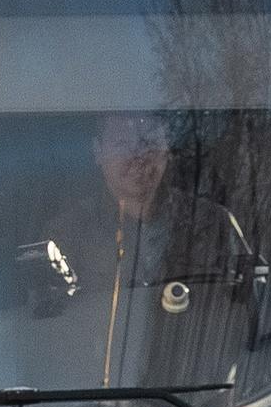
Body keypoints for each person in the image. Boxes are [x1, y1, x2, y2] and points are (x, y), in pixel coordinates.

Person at [17, 112, 252, 390]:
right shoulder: (65, 236)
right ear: (97, 152)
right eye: (122, 145)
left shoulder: (214, 225)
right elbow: (43, 337)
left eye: (149, 142)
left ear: (168, 149)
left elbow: (249, 322)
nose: (138, 156)